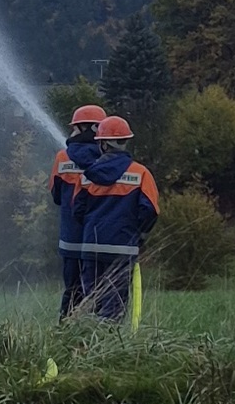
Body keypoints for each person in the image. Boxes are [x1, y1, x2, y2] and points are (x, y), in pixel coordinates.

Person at [64, 114, 158, 321]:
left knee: (91, 299)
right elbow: (150, 210)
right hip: (123, 248)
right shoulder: (141, 174)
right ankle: (108, 344)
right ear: (125, 142)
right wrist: (139, 235)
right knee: (114, 303)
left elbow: (77, 210)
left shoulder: (87, 176)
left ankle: (89, 343)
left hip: (91, 248)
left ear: (103, 144)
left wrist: (92, 227)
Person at [49, 105, 107, 318]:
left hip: (71, 239)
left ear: (81, 128)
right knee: (101, 292)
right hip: (99, 239)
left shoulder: (63, 157)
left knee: (72, 292)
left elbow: (56, 195)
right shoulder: (107, 161)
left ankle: (66, 333)